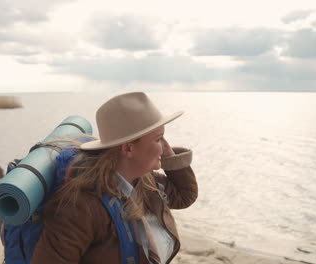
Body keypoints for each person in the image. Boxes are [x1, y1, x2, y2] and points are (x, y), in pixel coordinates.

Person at [31, 92, 198, 264]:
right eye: (158, 139)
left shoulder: (146, 181)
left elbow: (184, 196)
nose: (166, 146)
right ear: (128, 149)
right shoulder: (79, 207)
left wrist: (169, 158)